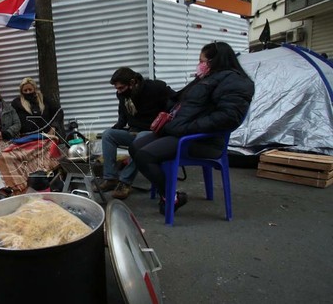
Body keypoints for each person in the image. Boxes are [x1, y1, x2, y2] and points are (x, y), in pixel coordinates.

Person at [129, 41, 254, 214]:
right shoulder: (207, 78)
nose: (199, 64)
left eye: (202, 60)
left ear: (214, 61)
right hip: (182, 132)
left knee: (145, 156)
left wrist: (186, 127)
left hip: (203, 140)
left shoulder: (236, 81)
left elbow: (228, 117)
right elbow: (185, 101)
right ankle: (167, 193)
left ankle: (171, 196)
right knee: (135, 146)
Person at [95, 67, 173, 199]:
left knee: (141, 138)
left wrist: (166, 123)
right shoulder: (123, 95)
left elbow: (175, 102)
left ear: (132, 83)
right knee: (108, 134)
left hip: (153, 133)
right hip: (134, 131)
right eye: (117, 89)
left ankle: (125, 182)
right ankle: (110, 178)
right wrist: (116, 128)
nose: (119, 91)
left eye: (121, 88)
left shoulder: (155, 88)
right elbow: (123, 116)